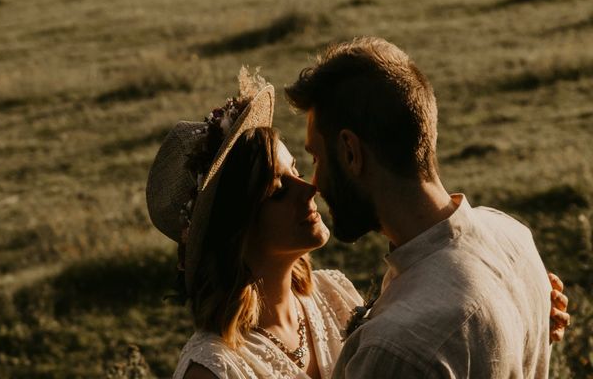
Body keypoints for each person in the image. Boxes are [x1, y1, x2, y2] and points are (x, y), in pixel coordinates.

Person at [146, 66, 569, 379]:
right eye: (279, 189)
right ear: (238, 227)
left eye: (300, 166)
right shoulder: (213, 369)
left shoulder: (332, 295)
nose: (308, 188)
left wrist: (513, 308)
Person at [283, 37, 571, 378]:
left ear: (350, 152)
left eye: (316, 158)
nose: (313, 183)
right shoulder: (513, 237)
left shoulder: (396, 350)